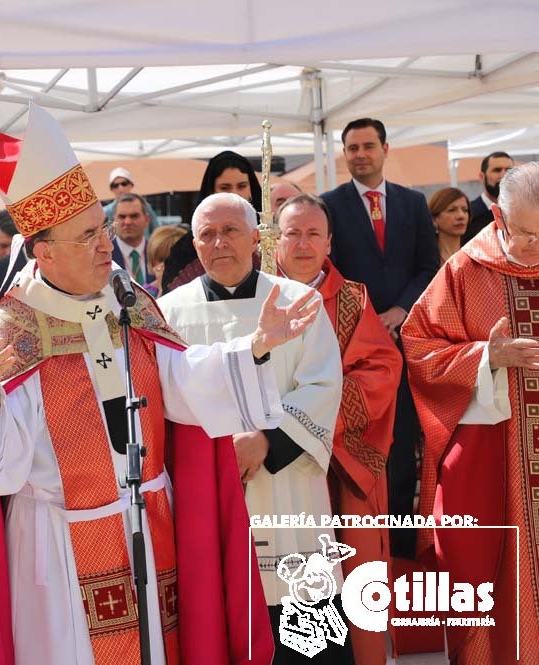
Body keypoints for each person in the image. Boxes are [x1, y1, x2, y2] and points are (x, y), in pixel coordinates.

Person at [0, 104, 325, 665]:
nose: (105, 244)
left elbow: (180, 382)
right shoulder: (16, 328)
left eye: (103, 227)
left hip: (145, 522)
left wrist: (254, 346)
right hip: (60, 546)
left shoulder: (128, 301)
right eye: (87, 235)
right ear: (44, 252)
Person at [159, 192, 345, 665]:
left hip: (288, 486)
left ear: (256, 238)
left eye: (230, 231)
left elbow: (324, 384)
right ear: (195, 245)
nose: (219, 243)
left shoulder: (299, 302)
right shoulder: (168, 313)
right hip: (209, 492)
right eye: (207, 235)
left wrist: (267, 440)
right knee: (220, 610)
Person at [401, 161, 539, 665]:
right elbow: (417, 345)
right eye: (524, 234)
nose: (533, 249)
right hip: (493, 459)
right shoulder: (466, 268)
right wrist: (486, 357)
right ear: (499, 216)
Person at [275, 193, 403, 665]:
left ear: (329, 241)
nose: (303, 244)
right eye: (293, 233)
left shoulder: (352, 298)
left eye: (313, 233)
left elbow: (382, 370)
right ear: (275, 239)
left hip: (342, 461)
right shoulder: (258, 297)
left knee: (353, 577)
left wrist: (313, 413)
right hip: (277, 464)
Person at [321, 117, 439, 560]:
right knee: (362, 447)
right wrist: (368, 318)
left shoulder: (413, 203)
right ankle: (358, 547)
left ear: (386, 149)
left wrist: (401, 310)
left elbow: (429, 267)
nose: (360, 155)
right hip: (352, 347)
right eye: (351, 148)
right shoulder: (330, 205)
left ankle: (403, 549)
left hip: (405, 342)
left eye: (368, 146)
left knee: (403, 441)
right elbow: (330, 272)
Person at [161, 150, 262, 294]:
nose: (234, 193)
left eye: (242, 186)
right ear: (211, 190)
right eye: (225, 187)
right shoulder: (184, 252)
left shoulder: (270, 237)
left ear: (254, 238)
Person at [464, 151, 514, 244]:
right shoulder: (468, 214)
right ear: (482, 176)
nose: (504, 175)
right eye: (497, 170)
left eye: (509, 170)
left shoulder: (520, 211)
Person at [110, 192, 155, 288]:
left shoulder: (158, 253)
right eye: (122, 217)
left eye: (134, 216)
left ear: (147, 220)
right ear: (114, 221)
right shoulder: (105, 256)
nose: (127, 222)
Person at [103, 166, 160, 231]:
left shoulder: (145, 206)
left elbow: (157, 230)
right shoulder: (105, 212)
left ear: (131, 185)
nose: (120, 188)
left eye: (124, 183)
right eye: (115, 185)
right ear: (111, 189)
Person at [429, 187, 470, 263]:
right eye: (452, 210)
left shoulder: (474, 255)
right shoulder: (426, 260)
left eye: (465, 210)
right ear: (434, 219)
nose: (461, 216)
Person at [146, 224, 188, 297]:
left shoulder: (197, 289)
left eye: (172, 259)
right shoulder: (145, 294)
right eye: (161, 259)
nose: (166, 265)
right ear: (153, 261)